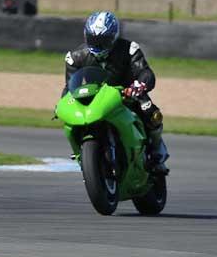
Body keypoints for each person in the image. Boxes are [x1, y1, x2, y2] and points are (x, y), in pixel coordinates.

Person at [63, 11, 169, 175]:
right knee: (70, 118)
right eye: (93, 39)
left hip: (127, 93)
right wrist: (63, 102)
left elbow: (146, 73)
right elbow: (69, 87)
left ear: (113, 37)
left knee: (151, 112)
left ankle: (156, 152)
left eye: (103, 40)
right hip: (94, 97)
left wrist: (139, 85)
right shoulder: (75, 57)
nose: (98, 45)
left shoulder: (129, 49)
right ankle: (81, 153)